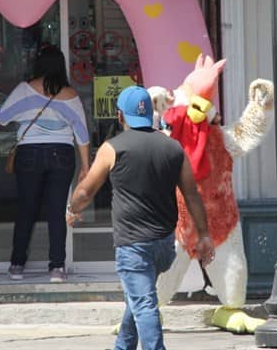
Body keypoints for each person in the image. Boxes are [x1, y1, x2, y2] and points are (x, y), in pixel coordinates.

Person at [67, 86, 215, 350]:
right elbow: (192, 195)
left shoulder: (112, 148)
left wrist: (72, 208)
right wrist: (204, 235)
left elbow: (85, 191)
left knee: (144, 303)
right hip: (163, 246)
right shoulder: (173, 148)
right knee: (138, 297)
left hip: (133, 245)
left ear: (120, 116)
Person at [0, 45, 90, 282]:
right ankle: (57, 268)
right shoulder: (71, 95)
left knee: (26, 209)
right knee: (57, 212)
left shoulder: (24, 90)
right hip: (62, 153)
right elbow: (81, 131)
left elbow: (1, 119)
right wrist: (86, 166)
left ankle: (17, 265)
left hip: (29, 153)